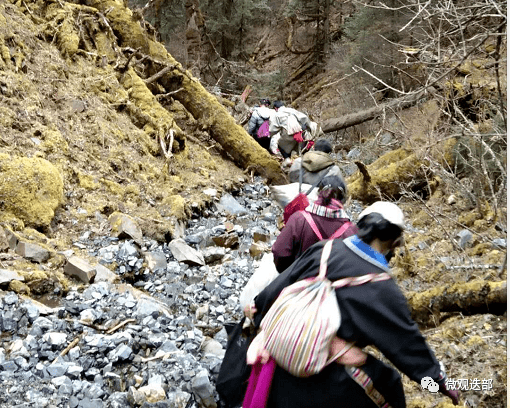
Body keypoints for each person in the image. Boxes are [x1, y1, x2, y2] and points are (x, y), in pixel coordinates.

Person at [246, 201, 460, 408]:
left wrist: (257, 309)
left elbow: (280, 285)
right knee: (390, 385)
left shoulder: (323, 249)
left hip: (279, 362)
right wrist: (439, 381)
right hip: (326, 375)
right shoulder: (382, 287)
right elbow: (405, 342)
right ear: (394, 243)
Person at [272, 175, 357, 273]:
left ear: (318, 194)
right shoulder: (351, 230)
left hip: (298, 280)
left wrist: (289, 274)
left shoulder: (299, 219)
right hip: (332, 286)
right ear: (344, 200)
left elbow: (279, 252)